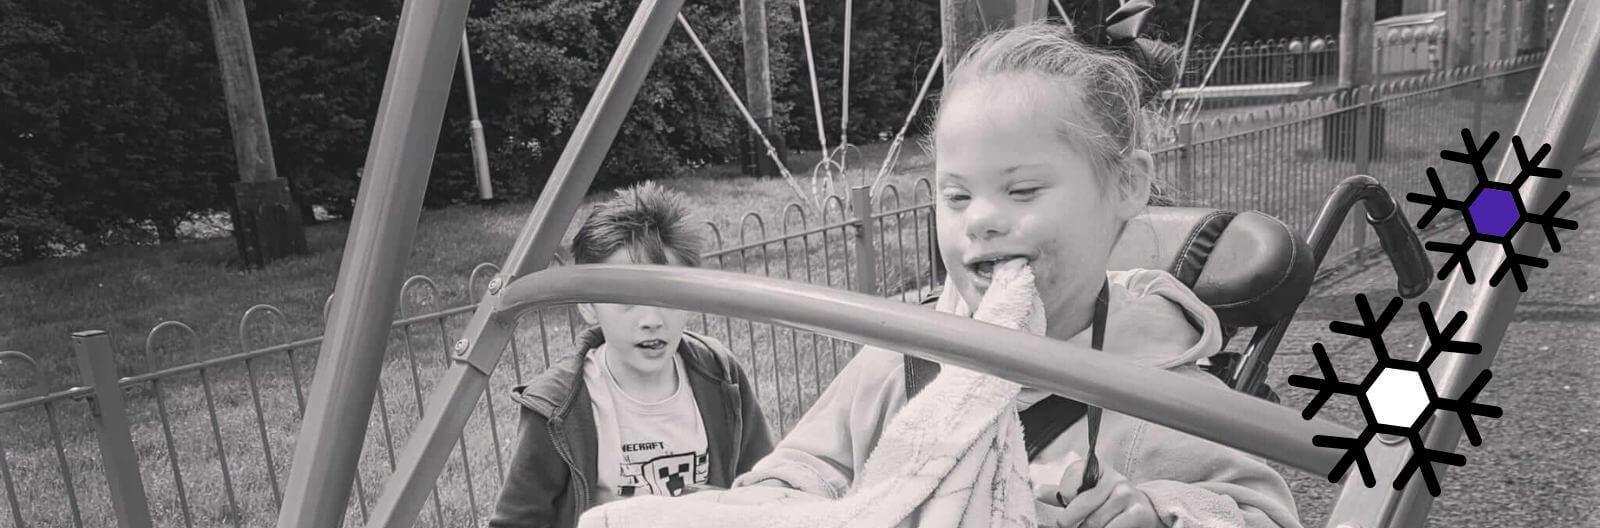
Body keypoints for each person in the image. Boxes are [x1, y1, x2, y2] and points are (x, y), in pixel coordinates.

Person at [721, 22, 1303, 528]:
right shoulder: (900, 359)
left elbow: (1260, 512)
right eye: (955, 195)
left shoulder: (1162, 394)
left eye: (1021, 190)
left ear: (1127, 185)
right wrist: (785, 498)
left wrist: (1154, 511)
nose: (980, 220)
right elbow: (807, 465)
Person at [488, 182, 774, 528]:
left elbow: (761, 486)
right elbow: (517, 521)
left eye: (668, 296)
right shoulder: (557, 406)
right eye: (627, 300)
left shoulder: (720, 374)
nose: (652, 321)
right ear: (589, 306)